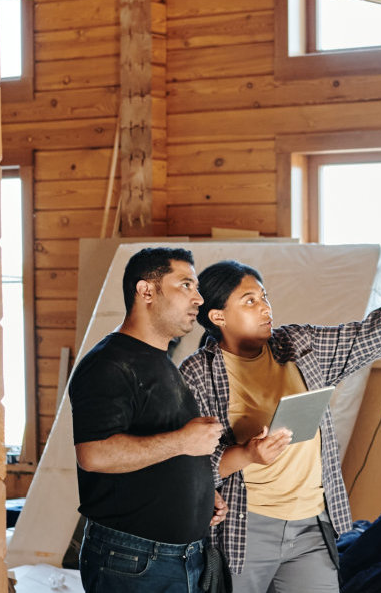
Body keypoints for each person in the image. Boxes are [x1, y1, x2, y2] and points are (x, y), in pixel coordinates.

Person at [179, 235, 381, 593]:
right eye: (250, 301)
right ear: (218, 316)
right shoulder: (198, 374)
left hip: (311, 525)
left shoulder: (299, 345)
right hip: (245, 530)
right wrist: (248, 454)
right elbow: (189, 465)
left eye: (265, 297)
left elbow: (371, 334)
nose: (265, 308)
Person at [72, 247, 231, 592]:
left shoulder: (160, 360)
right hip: (133, 560)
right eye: (186, 285)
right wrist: (185, 441)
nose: (199, 299)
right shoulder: (109, 364)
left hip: (179, 557)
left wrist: (203, 496)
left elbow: (158, 449)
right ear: (146, 291)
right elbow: (94, 454)